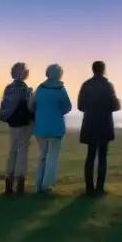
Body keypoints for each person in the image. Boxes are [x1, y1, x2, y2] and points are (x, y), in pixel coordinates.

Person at [77, 61, 121, 196]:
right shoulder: (108, 86)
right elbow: (115, 106)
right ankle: (100, 187)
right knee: (102, 156)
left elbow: (80, 106)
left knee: (90, 155)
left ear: (93, 70)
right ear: (103, 70)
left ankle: (89, 187)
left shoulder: (86, 85)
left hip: (90, 123)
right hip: (104, 124)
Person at [31, 63, 72, 194]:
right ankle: (47, 185)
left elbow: (32, 106)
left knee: (42, 156)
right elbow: (68, 107)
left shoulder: (40, 89)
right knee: (52, 157)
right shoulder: (60, 90)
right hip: (56, 128)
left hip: (40, 128)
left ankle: (38, 184)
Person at [0, 62, 34, 196]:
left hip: (12, 124)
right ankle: (20, 184)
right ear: (21, 73)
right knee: (22, 154)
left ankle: (8, 183)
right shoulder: (24, 89)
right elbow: (29, 107)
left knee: (12, 152)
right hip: (23, 124)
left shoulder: (8, 88)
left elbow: (5, 105)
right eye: (25, 70)